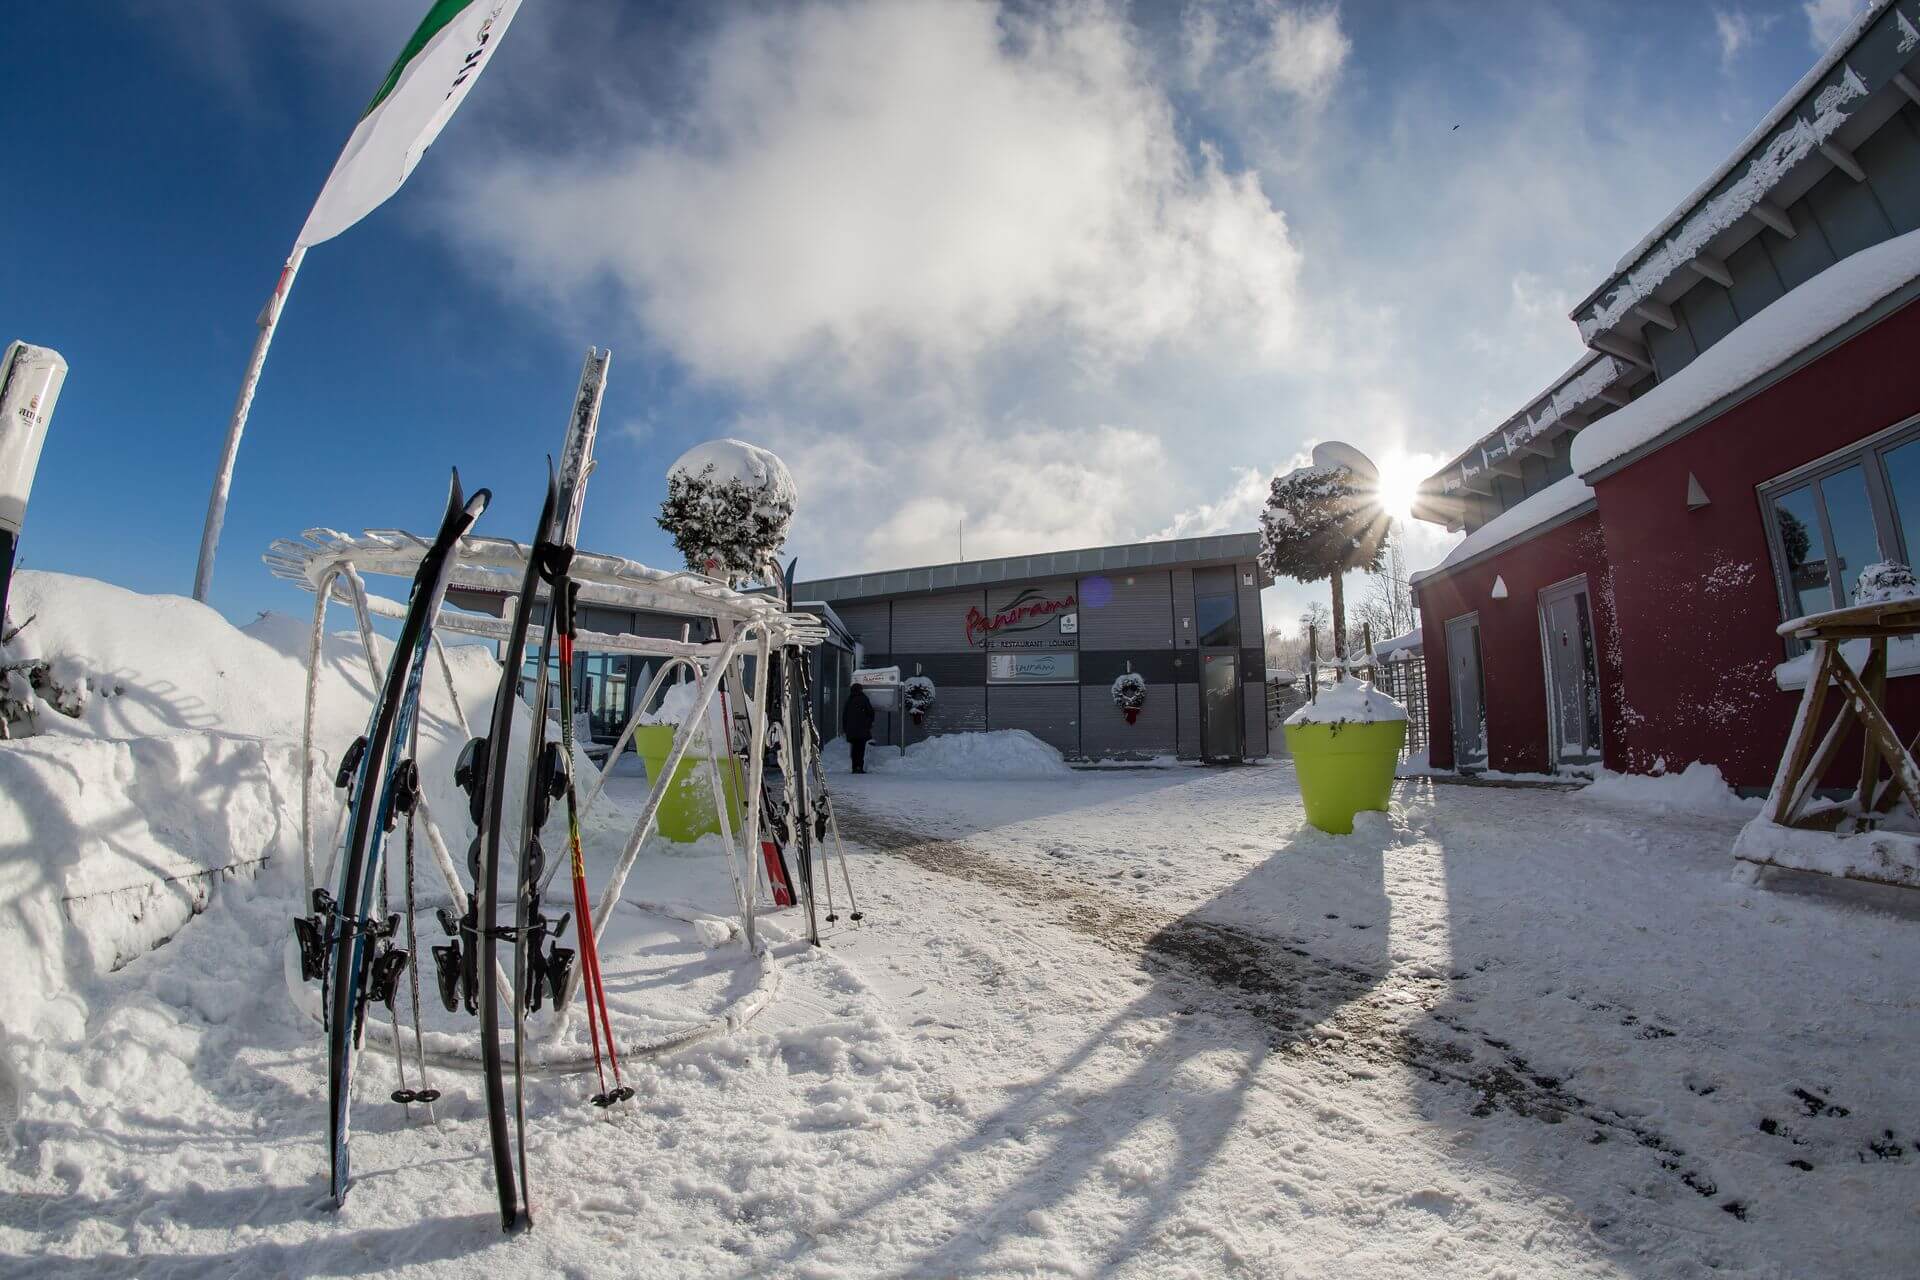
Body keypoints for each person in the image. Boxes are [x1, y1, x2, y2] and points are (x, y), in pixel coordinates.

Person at [843, 684, 875, 774]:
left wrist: (845, 728)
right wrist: (868, 723)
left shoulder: (849, 700)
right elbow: (871, 712)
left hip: (852, 730)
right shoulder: (863, 699)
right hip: (862, 729)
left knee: (854, 749)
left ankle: (854, 767)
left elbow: (844, 716)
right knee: (860, 749)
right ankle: (859, 767)